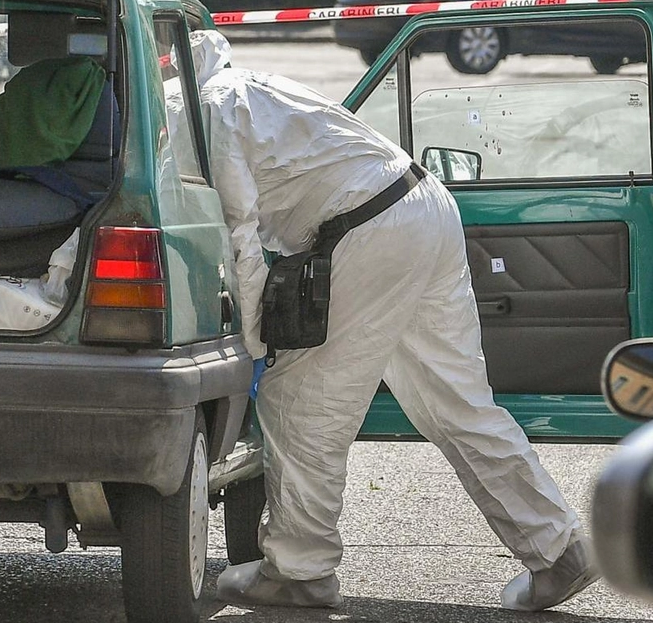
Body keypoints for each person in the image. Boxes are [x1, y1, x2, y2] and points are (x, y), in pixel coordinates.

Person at [188, 30, 598, 612]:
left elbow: (239, 229)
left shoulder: (202, 108)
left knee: (298, 401)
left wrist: (253, 340)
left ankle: (300, 570)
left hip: (367, 229)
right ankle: (559, 550)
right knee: (457, 403)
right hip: (422, 205)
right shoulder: (253, 85)